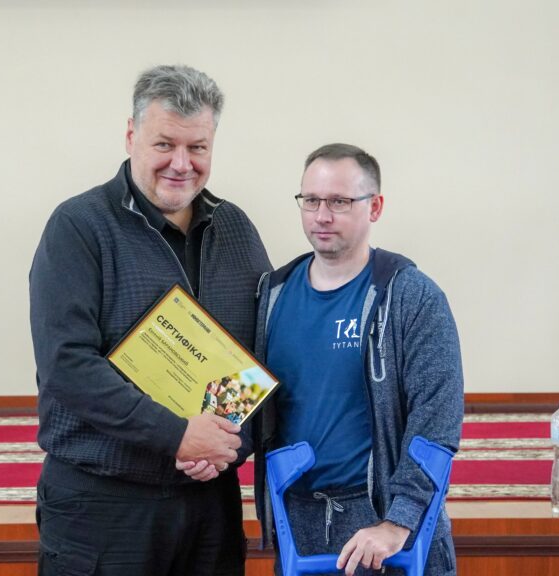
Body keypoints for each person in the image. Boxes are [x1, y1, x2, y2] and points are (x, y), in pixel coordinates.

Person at [30, 64, 271, 576]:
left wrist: (223, 444)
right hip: (102, 505)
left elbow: (260, 354)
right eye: (165, 144)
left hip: (210, 501)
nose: (181, 164)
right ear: (131, 136)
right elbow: (66, 365)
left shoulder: (236, 229)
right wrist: (177, 434)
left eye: (197, 147)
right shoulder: (78, 226)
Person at [252, 143, 463, 575]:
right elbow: (249, 401)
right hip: (299, 529)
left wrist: (398, 521)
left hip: (387, 532)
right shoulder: (271, 296)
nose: (321, 216)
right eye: (311, 200)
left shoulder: (412, 297)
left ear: (375, 206)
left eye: (339, 202)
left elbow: (436, 423)